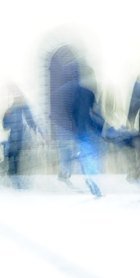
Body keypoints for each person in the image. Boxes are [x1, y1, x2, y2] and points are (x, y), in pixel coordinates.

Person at [53, 65, 104, 197]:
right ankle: (90, 179)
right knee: (88, 155)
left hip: (70, 130)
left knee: (73, 155)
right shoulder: (88, 92)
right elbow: (93, 111)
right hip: (84, 129)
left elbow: (59, 114)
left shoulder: (61, 92)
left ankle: (70, 175)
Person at [2, 91, 42, 188]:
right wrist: (5, 116)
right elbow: (5, 126)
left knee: (16, 163)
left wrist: (39, 133)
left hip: (22, 140)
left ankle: (18, 184)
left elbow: (31, 121)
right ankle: (17, 184)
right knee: (13, 163)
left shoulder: (24, 108)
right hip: (14, 140)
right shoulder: (11, 109)